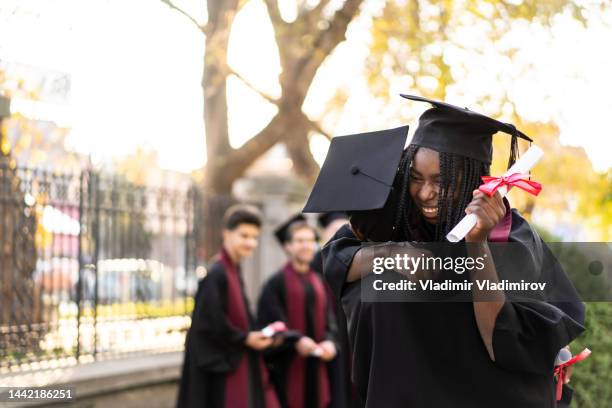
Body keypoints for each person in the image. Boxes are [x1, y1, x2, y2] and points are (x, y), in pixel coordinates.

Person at [302, 95, 586, 408]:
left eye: (443, 181)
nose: (425, 193)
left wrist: (477, 243)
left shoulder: (511, 239)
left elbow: (504, 341)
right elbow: (332, 260)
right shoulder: (394, 224)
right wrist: (390, 254)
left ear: (475, 179)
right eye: (416, 178)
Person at [177, 204, 279, 408]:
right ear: (226, 234)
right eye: (244, 235)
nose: (250, 242)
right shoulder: (217, 273)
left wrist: (254, 335)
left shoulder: (233, 269)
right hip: (221, 372)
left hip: (235, 361)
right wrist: (245, 338)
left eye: (254, 237)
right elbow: (210, 324)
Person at [258, 215, 338, 408]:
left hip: (317, 368)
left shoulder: (318, 281)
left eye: (311, 241)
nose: (306, 246)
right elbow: (270, 325)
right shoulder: (275, 283)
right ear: (288, 246)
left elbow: (330, 322)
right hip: (287, 369)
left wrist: (330, 342)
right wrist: (295, 340)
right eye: (300, 241)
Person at [310, 212, 355, 408]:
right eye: (334, 230)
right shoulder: (314, 263)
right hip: (329, 332)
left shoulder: (358, 259)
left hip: (352, 327)